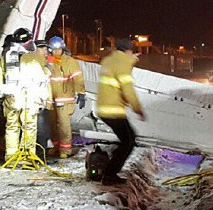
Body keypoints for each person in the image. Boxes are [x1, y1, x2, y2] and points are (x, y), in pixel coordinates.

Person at [0, 28, 51, 162]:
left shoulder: (7, 56)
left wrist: (0, 97)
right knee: (29, 127)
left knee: (12, 127)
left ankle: (11, 158)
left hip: (12, 98)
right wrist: (44, 98)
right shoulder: (34, 57)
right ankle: (28, 157)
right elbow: (42, 78)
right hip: (29, 99)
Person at [96, 39, 145, 185]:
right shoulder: (123, 63)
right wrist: (137, 108)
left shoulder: (108, 60)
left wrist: (129, 60)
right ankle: (110, 174)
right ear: (129, 50)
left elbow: (117, 68)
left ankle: (110, 170)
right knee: (128, 141)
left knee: (127, 139)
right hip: (113, 110)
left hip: (103, 108)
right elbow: (127, 88)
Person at [47, 36, 86, 158]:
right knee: (52, 125)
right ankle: (56, 146)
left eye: (59, 49)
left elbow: (78, 78)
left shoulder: (70, 61)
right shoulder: (48, 61)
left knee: (64, 125)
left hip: (65, 99)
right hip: (51, 99)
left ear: (63, 48)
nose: (57, 52)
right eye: (54, 50)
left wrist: (81, 93)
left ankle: (65, 150)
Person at [34, 40, 52, 158]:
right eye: (42, 48)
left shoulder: (45, 62)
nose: (45, 50)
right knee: (40, 131)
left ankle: (41, 155)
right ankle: (39, 156)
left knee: (44, 131)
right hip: (37, 102)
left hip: (44, 102)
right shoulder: (35, 62)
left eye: (46, 48)